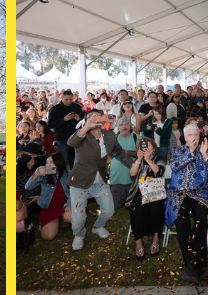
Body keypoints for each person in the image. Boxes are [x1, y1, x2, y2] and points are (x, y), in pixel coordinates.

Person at [67, 109, 135, 250]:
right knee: (78, 217)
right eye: (91, 117)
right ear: (86, 121)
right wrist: (86, 127)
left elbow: (120, 153)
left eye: (98, 116)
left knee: (109, 210)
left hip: (99, 181)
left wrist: (135, 166)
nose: (95, 118)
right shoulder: (83, 134)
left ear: (103, 119)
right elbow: (71, 143)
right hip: (80, 182)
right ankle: (79, 235)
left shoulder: (109, 135)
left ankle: (98, 226)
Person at [166, 123, 208, 283]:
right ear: (184, 137)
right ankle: (198, 264)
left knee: (201, 217)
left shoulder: (205, 150)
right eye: (190, 135)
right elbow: (174, 166)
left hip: (199, 194)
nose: (193, 138)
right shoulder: (177, 151)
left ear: (199, 136)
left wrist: (205, 156)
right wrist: (190, 153)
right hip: (178, 193)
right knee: (181, 218)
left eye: (195, 135)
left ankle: (190, 265)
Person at [126, 137, 165, 262]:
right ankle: (139, 242)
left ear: (153, 148)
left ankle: (156, 239)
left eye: (149, 146)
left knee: (156, 207)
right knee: (136, 207)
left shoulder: (159, 159)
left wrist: (148, 160)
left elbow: (158, 172)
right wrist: (139, 159)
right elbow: (132, 174)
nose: (146, 148)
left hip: (155, 192)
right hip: (139, 193)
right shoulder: (138, 160)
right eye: (143, 146)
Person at [24, 151, 71, 239]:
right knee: (48, 237)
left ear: (59, 163)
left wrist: (69, 204)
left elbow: (74, 192)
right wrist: (36, 175)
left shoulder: (68, 174)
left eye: (51, 162)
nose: (48, 165)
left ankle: (63, 219)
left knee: (72, 218)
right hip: (49, 207)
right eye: (46, 162)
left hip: (64, 205)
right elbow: (28, 187)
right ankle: (51, 221)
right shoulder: (44, 175)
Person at [109, 117, 140, 210]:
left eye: (126, 124)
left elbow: (141, 154)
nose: (124, 127)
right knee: (114, 206)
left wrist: (122, 152)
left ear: (130, 126)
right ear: (118, 127)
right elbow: (109, 152)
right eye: (121, 125)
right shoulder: (113, 138)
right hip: (116, 180)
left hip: (133, 181)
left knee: (134, 206)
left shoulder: (137, 137)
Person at [47, 90, 85, 168]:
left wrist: (79, 119)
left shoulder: (77, 107)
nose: (69, 101)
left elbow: (83, 123)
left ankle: (73, 178)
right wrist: (63, 119)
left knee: (75, 161)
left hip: (75, 138)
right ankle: (61, 178)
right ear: (62, 98)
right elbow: (50, 124)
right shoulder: (55, 108)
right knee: (62, 161)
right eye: (66, 99)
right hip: (62, 139)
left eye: (71, 99)